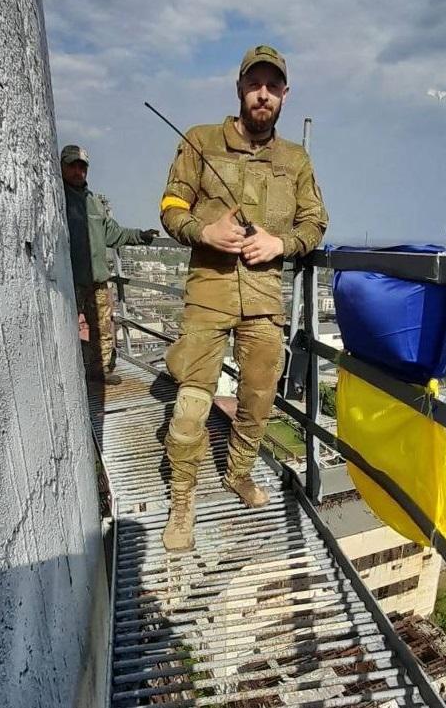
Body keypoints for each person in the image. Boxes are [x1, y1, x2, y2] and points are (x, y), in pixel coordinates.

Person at [159, 45, 328, 551]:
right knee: (191, 403)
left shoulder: (295, 160)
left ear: (284, 95)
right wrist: (203, 231)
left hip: (263, 299)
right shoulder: (200, 140)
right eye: (255, 84)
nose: (263, 94)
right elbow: (171, 206)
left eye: (273, 87)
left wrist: (283, 243)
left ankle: (237, 472)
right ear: (239, 88)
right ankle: (182, 499)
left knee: (257, 398)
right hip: (208, 294)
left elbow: (314, 222)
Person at [60, 144, 159, 385]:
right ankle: (68, 377)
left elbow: (113, 234)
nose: (77, 172)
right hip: (69, 281)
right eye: (72, 166)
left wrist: (140, 236)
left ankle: (100, 371)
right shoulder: (56, 197)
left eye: (82, 167)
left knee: (103, 328)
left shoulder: (94, 202)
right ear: (61, 166)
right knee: (64, 330)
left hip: (97, 279)